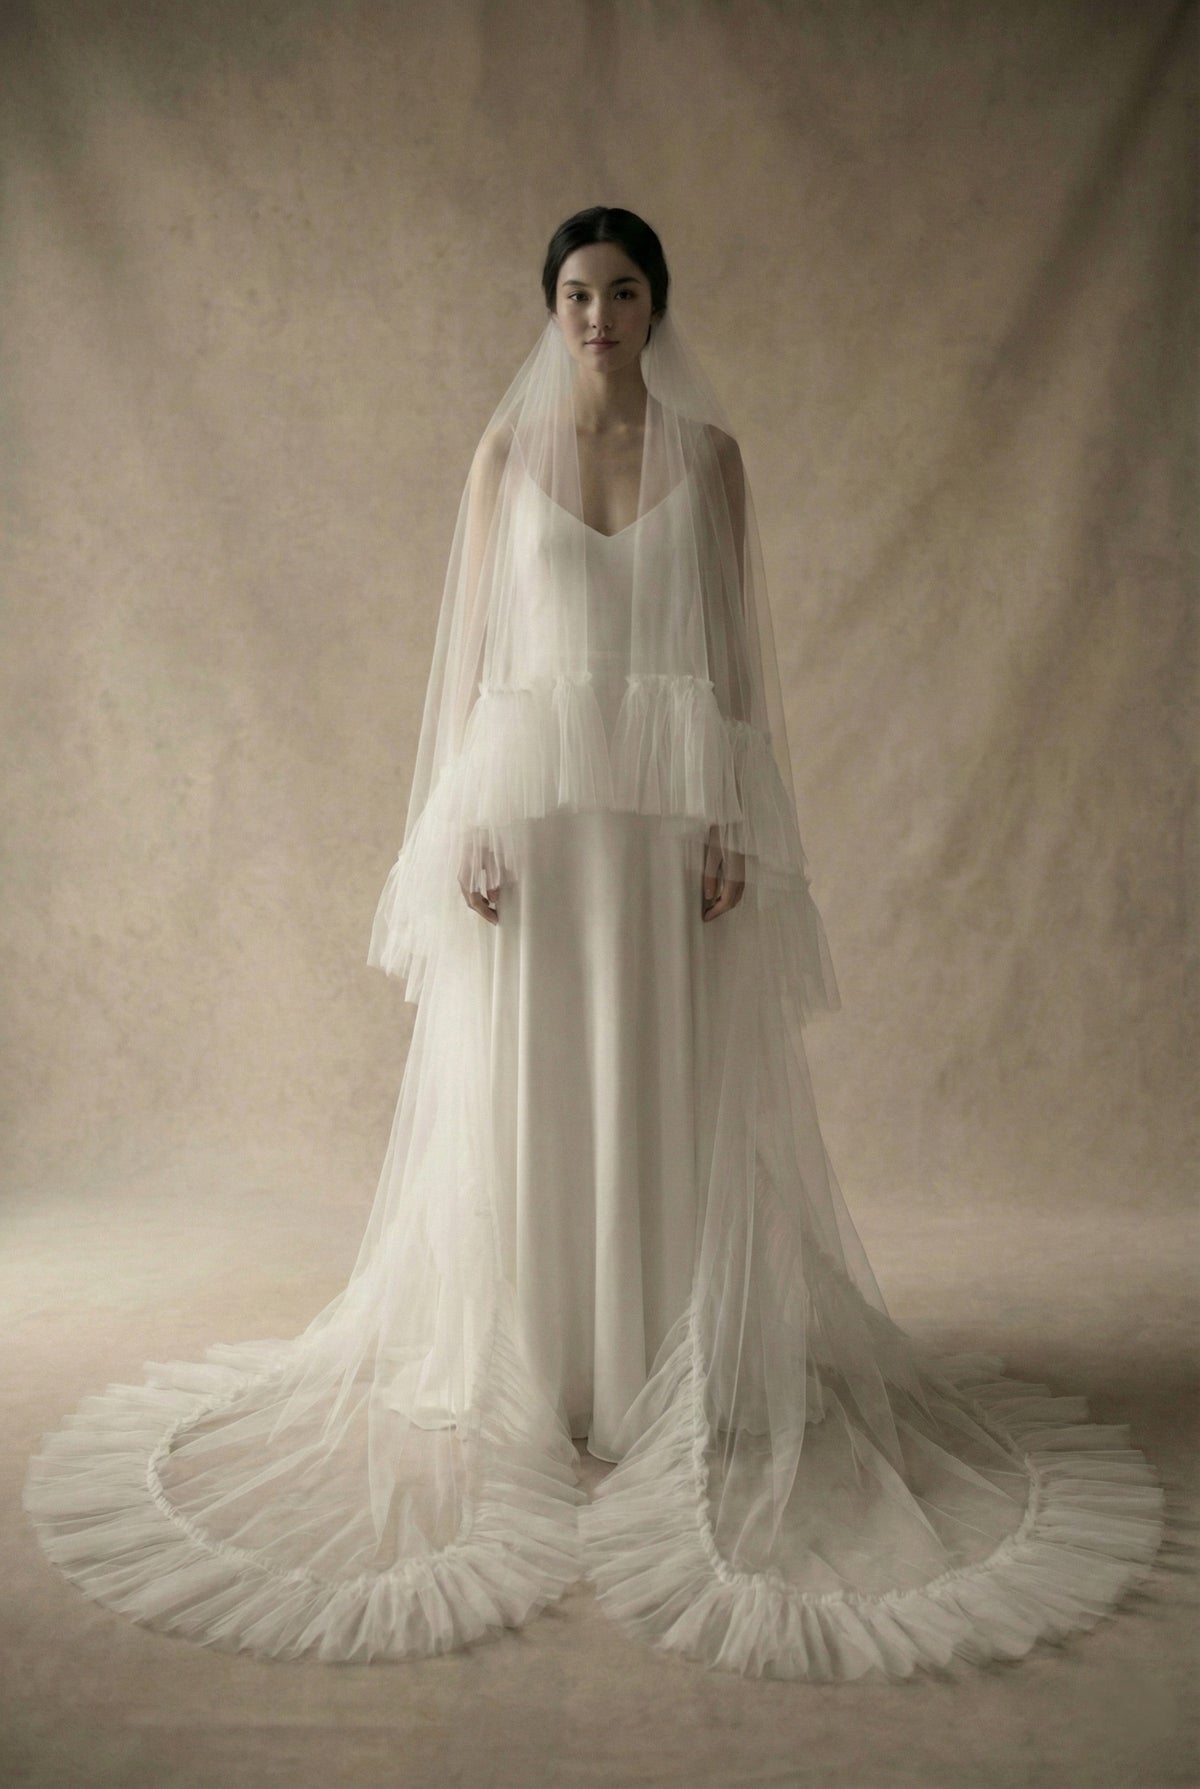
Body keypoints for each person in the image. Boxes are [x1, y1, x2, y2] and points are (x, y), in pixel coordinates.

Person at [25, 208, 1163, 1680]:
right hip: (541, 826)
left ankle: (653, 1371)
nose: (599, 313)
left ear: (657, 305)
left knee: (666, 1081)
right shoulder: (506, 461)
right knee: (539, 1079)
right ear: (549, 306)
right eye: (577, 292)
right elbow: (478, 669)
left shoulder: (716, 461)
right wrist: (467, 826)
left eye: (624, 290)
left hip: (666, 823)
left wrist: (736, 822)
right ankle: (546, 1363)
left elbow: (736, 663)